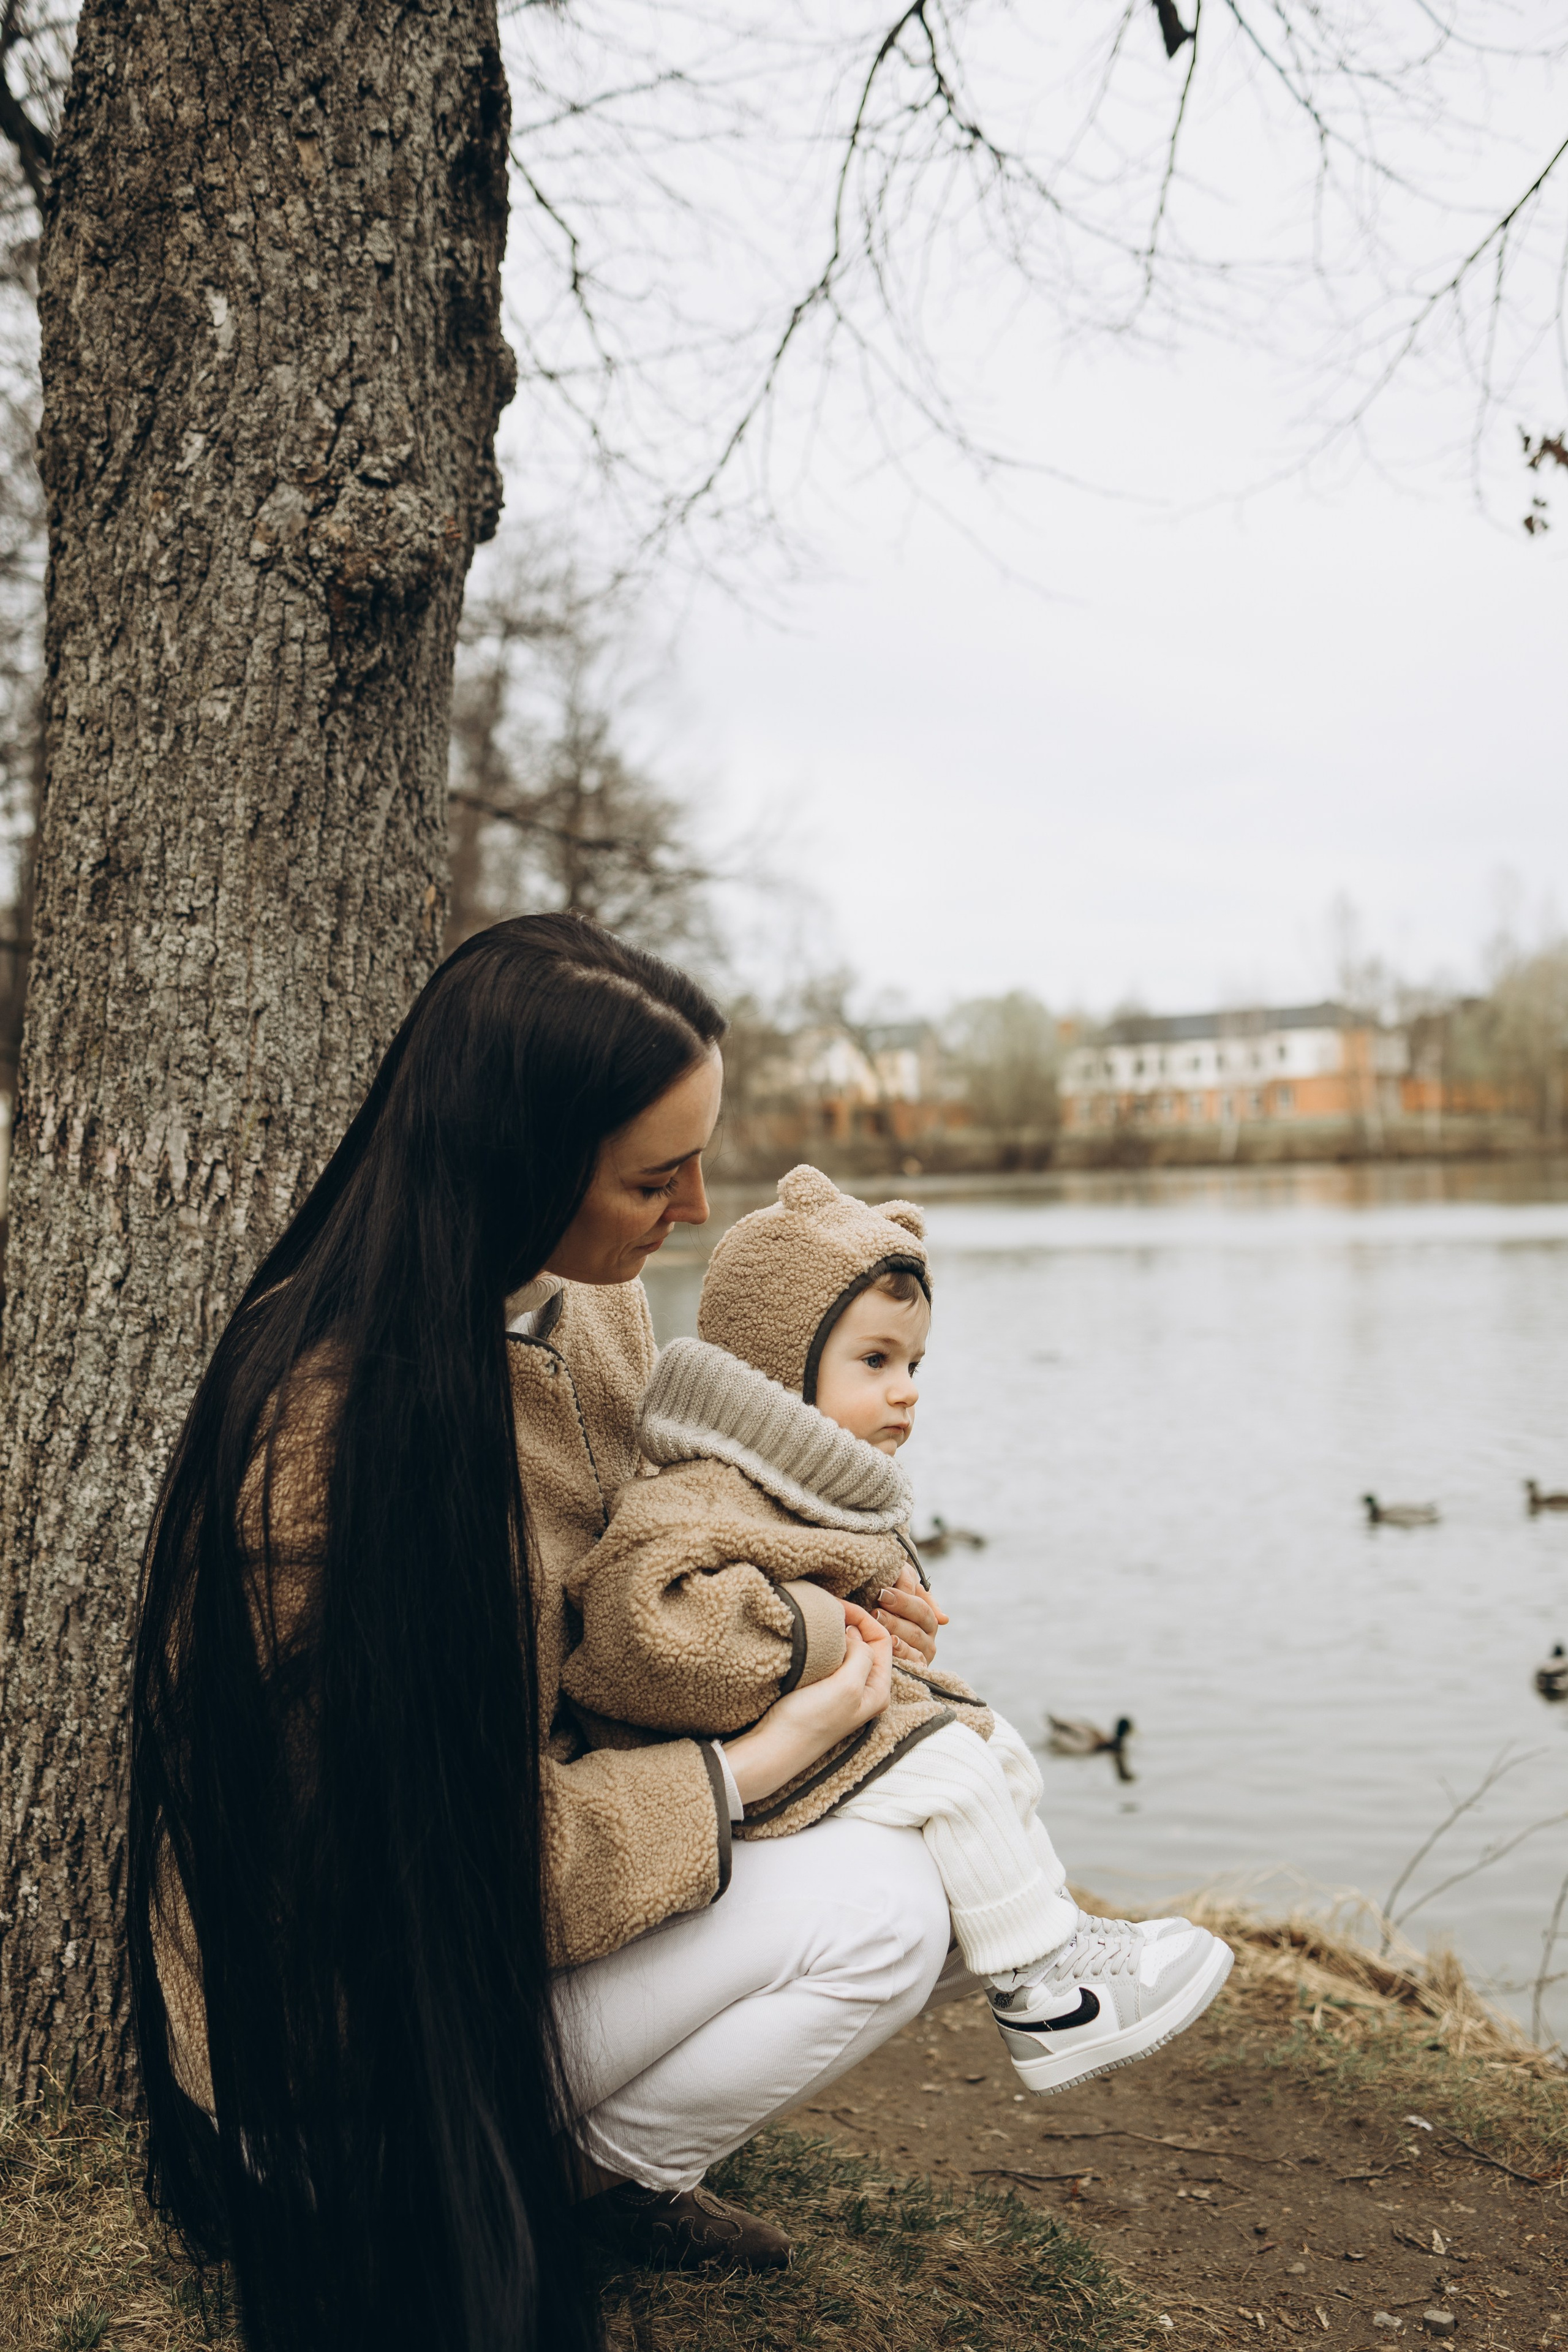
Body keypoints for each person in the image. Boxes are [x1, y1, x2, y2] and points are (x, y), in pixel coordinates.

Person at [128, 916, 956, 2352]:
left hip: (507, 1933)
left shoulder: (594, 1306)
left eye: (700, 1156)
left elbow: (649, 1573)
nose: (698, 1208)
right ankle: (540, 2181)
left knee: (933, 1814)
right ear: (514, 1162)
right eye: (654, 1174)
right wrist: (752, 1764)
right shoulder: (328, 1443)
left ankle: (593, 2161)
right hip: (335, 2058)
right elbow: (396, 1890)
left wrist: (813, 1611)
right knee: (886, 1914)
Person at [561, 1164, 1232, 2100]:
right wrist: (822, 1631)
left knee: (993, 1750)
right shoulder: (700, 1491)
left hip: (769, 1735)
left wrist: (879, 1619)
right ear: (777, 1366)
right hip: (686, 1752)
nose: (907, 1391)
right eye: (875, 1363)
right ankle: (1046, 1992)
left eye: (913, 1365)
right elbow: (645, 1636)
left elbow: (821, 1590)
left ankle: (1061, 1944)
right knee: (951, 1773)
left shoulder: (806, 1488)